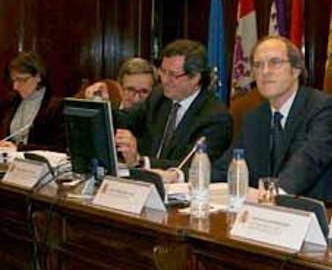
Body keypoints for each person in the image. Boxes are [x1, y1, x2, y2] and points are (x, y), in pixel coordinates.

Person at [212, 36, 332, 203]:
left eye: (275, 62)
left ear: (295, 70)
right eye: (258, 65)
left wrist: (272, 195)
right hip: (268, 215)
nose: (265, 71)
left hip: (321, 215)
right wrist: (182, 178)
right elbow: (227, 167)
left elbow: (309, 161)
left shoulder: (324, 108)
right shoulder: (255, 117)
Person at [84, 39, 232, 178]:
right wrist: (100, 104)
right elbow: (125, 120)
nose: (164, 80)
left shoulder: (215, 117)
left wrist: (142, 162)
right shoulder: (159, 96)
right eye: (162, 71)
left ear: (195, 78)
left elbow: (190, 167)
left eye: (173, 75)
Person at [0, 51, 64, 151]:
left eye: (21, 80)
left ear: (38, 77)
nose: (15, 87)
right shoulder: (10, 101)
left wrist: (19, 148)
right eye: (14, 80)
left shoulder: (56, 106)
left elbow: (58, 148)